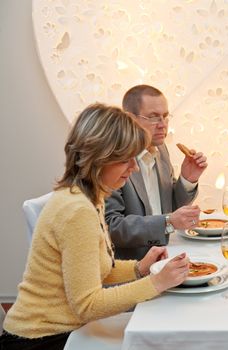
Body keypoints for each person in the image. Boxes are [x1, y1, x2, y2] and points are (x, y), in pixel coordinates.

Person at [0, 104, 190, 350]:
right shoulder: (77, 210)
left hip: (66, 330)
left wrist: (139, 268)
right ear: (99, 157)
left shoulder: (89, 197)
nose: (133, 168)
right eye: (125, 160)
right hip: (43, 339)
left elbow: (91, 269)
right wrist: (156, 283)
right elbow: (87, 304)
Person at [105, 85, 208, 260]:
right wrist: (168, 222)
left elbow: (170, 209)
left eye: (165, 117)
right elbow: (111, 227)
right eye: (153, 117)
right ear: (130, 119)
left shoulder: (160, 149)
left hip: (166, 255)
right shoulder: (112, 159)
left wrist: (188, 179)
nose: (163, 125)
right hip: (132, 266)